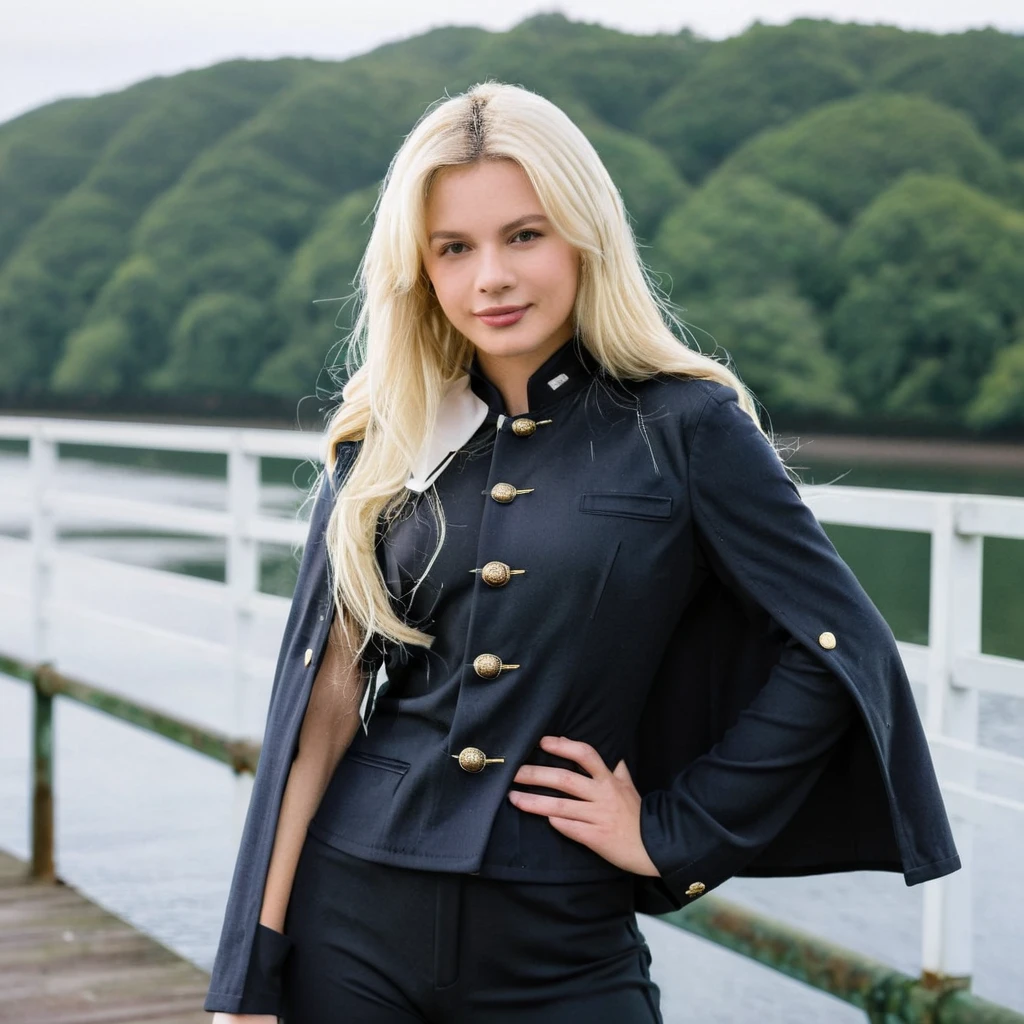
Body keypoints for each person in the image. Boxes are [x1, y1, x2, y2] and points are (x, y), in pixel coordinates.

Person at [206, 81, 960, 1024]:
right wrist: (250, 972)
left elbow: (841, 647)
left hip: (562, 937)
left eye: (525, 235)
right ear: (422, 269)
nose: (491, 277)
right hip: (351, 911)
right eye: (455, 247)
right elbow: (319, 700)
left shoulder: (687, 427)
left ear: (585, 234)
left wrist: (673, 828)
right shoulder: (385, 440)